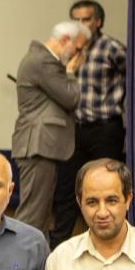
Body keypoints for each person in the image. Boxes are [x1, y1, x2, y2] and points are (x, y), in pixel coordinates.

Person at [49, 0, 127, 248]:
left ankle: (114, 246)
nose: (80, 24)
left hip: (105, 128)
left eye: (86, 19)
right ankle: (57, 251)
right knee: (65, 191)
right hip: (74, 129)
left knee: (108, 185)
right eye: (76, 19)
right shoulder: (67, 49)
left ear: (98, 21)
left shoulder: (112, 48)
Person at [11, 21, 89, 237]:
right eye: (79, 49)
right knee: (33, 216)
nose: (80, 56)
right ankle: (19, 259)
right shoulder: (43, 61)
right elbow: (71, 98)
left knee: (41, 216)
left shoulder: (42, 59)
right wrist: (71, 72)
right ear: (65, 40)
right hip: (38, 145)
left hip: (41, 146)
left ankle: (37, 259)